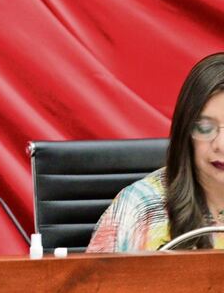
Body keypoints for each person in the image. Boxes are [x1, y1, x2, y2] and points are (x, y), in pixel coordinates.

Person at [87, 52, 224, 252]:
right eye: (204, 127)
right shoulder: (139, 209)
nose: (221, 144)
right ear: (185, 131)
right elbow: (96, 274)